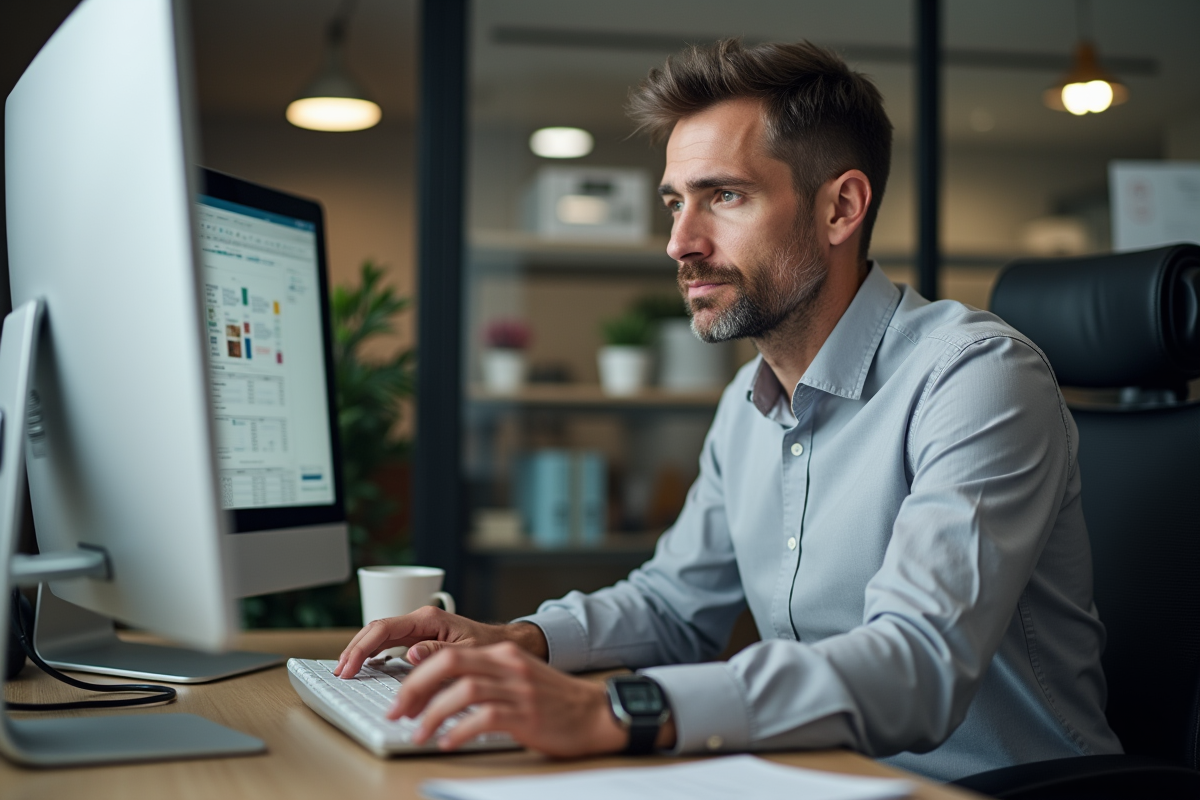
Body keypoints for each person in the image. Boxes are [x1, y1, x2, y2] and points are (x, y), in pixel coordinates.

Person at [335, 39, 1122, 781]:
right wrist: (522, 640)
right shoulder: (746, 405)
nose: (680, 242)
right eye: (675, 202)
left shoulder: (976, 376)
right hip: (821, 779)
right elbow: (673, 606)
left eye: (724, 197)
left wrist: (619, 708)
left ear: (841, 208)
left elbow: (914, 667)